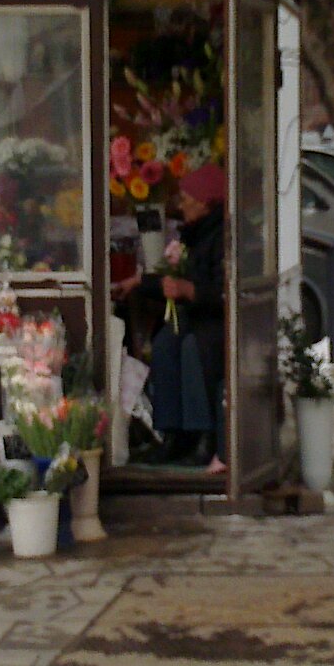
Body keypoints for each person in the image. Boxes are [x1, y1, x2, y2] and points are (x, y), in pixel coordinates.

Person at [133, 162, 229, 470]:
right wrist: (139, 283)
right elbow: (173, 279)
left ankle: (203, 435)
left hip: (217, 322)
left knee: (191, 348)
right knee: (164, 343)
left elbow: (225, 291)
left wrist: (190, 290)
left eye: (187, 199)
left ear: (205, 203)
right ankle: (172, 434)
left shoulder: (223, 237)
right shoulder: (194, 233)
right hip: (194, 318)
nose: (181, 205)